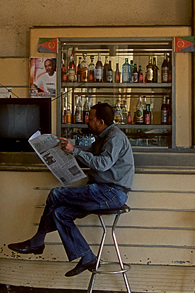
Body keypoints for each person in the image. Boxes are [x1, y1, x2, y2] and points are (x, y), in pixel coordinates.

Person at [8, 102, 134, 277]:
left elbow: (103, 164)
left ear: (102, 122)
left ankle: (37, 241)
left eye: (91, 119)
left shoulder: (114, 138)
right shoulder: (102, 137)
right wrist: (63, 152)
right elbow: (89, 158)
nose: (87, 122)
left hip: (111, 193)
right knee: (60, 213)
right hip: (100, 190)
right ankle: (87, 256)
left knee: (56, 194)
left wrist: (75, 151)